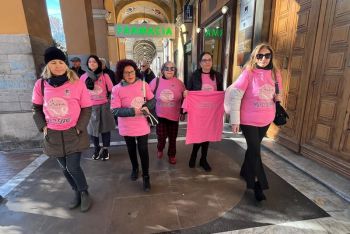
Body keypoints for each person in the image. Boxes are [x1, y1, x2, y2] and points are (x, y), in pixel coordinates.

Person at [32, 47, 92, 212]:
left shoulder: (77, 83)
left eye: (60, 62)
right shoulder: (41, 85)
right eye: (53, 62)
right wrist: (42, 126)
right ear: (47, 65)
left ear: (65, 64)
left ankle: (84, 192)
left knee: (73, 167)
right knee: (64, 168)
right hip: (53, 135)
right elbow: (36, 108)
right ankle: (76, 192)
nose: (57, 66)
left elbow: (87, 108)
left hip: (74, 133)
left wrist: (79, 127)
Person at [228, 43, 282, 201]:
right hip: (248, 119)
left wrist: (279, 98)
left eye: (267, 56)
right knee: (255, 150)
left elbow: (279, 92)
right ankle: (258, 184)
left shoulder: (275, 73)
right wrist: (234, 120)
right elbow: (236, 95)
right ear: (254, 57)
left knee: (253, 149)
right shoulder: (248, 72)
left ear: (271, 57)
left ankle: (245, 170)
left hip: (266, 118)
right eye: (260, 56)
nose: (264, 59)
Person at [111, 59, 156, 192]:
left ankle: (146, 176)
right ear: (121, 74)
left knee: (143, 150)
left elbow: (153, 100)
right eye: (126, 73)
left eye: (132, 72)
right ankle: (135, 168)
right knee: (131, 149)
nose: (130, 75)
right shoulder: (116, 89)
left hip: (142, 124)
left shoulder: (143, 85)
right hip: (126, 126)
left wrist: (147, 107)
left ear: (135, 72)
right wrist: (133, 111)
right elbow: (115, 110)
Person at [185, 52, 223, 172]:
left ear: (212, 62)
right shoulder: (194, 75)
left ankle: (203, 159)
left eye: (209, 60)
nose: (207, 62)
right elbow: (188, 90)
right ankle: (194, 154)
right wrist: (186, 94)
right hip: (198, 111)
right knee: (198, 134)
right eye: (204, 60)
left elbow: (220, 92)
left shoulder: (218, 76)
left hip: (211, 111)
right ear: (200, 62)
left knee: (207, 135)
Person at [149, 61, 185, 164]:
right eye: (167, 68)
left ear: (175, 71)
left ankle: (172, 155)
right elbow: (147, 95)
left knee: (173, 138)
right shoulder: (155, 82)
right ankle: (160, 148)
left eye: (172, 68)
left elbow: (184, 99)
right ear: (162, 70)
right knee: (161, 137)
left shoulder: (179, 83)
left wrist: (183, 112)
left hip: (174, 116)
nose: (169, 70)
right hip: (160, 115)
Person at [80, 55, 115, 161]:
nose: (92, 63)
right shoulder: (83, 77)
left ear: (98, 64)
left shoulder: (105, 76)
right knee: (92, 130)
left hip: (104, 106)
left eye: (94, 62)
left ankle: (105, 149)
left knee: (105, 129)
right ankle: (96, 148)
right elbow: (80, 92)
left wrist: (110, 101)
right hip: (90, 107)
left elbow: (112, 90)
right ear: (87, 64)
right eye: (90, 62)